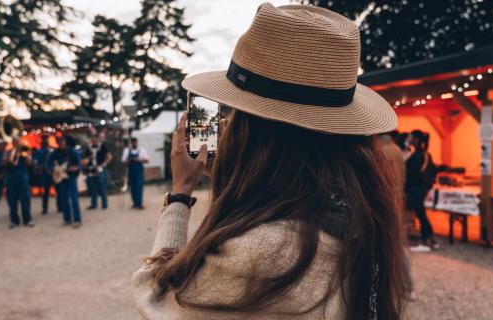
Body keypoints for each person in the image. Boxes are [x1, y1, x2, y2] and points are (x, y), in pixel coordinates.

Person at [132, 4, 409, 319]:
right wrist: (231, 178)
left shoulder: (267, 254)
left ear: (253, 131)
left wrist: (181, 192)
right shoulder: (356, 217)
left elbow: (156, 298)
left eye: (235, 111)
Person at [405, 130, 438, 251]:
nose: (409, 139)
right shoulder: (425, 154)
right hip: (422, 188)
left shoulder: (417, 155)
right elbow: (434, 171)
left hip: (416, 188)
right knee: (422, 214)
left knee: (421, 214)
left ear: (416, 140)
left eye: (411, 137)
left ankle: (426, 241)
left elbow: (412, 173)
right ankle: (431, 239)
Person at [48, 135, 82, 227]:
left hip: (71, 176)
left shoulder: (72, 151)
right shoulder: (55, 153)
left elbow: (79, 163)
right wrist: (54, 169)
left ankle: (77, 219)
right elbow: (49, 162)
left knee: (74, 198)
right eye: (59, 142)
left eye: (62, 141)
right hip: (61, 178)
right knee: (64, 199)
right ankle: (67, 219)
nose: (61, 143)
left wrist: (76, 168)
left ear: (65, 141)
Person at [3, 138, 34, 228]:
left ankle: (27, 220)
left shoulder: (24, 150)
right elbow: (4, 162)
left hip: (22, 177)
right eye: (14, 142)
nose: (16, 143)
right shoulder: (8, 152)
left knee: (25, 200)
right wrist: (8, 158)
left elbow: (29, 162)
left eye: (17, 142)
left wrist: (25, 154)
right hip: (11, 177)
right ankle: (14, 220)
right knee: (12, 200)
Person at [85, 138, 113, 210]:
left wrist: (104, 164)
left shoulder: (102, 147)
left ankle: (104, 204)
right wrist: (87, 162)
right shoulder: (89, 148)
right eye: (92, 139)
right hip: (91, 170)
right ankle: (94, 204)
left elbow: (109, 156)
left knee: (102, 187)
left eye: (95, 139)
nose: (93, 141)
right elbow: (85, 159)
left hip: (101, 169)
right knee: (93, 188)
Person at [122, 138, 149, 209]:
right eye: (132, 142)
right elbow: (123, 161)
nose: (134, 144)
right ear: (131, 143)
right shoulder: (127, 151)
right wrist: (128, 160)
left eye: (135, 142)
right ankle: (135, 203)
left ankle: (139, 204)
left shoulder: (142, 150)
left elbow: (147, 160)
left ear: (137, 142)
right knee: (132, 187)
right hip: (131, 171)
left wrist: (140, 159)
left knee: (139, 187)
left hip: (139, 171)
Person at [34, 136, 54, 214]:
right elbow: (36, 164)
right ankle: (45, 208)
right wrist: (40, 167)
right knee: (45, 192)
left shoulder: (51, 151)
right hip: (45, 174)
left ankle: (60, 207)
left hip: (51, 173)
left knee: (58, 189)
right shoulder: (39, 152)